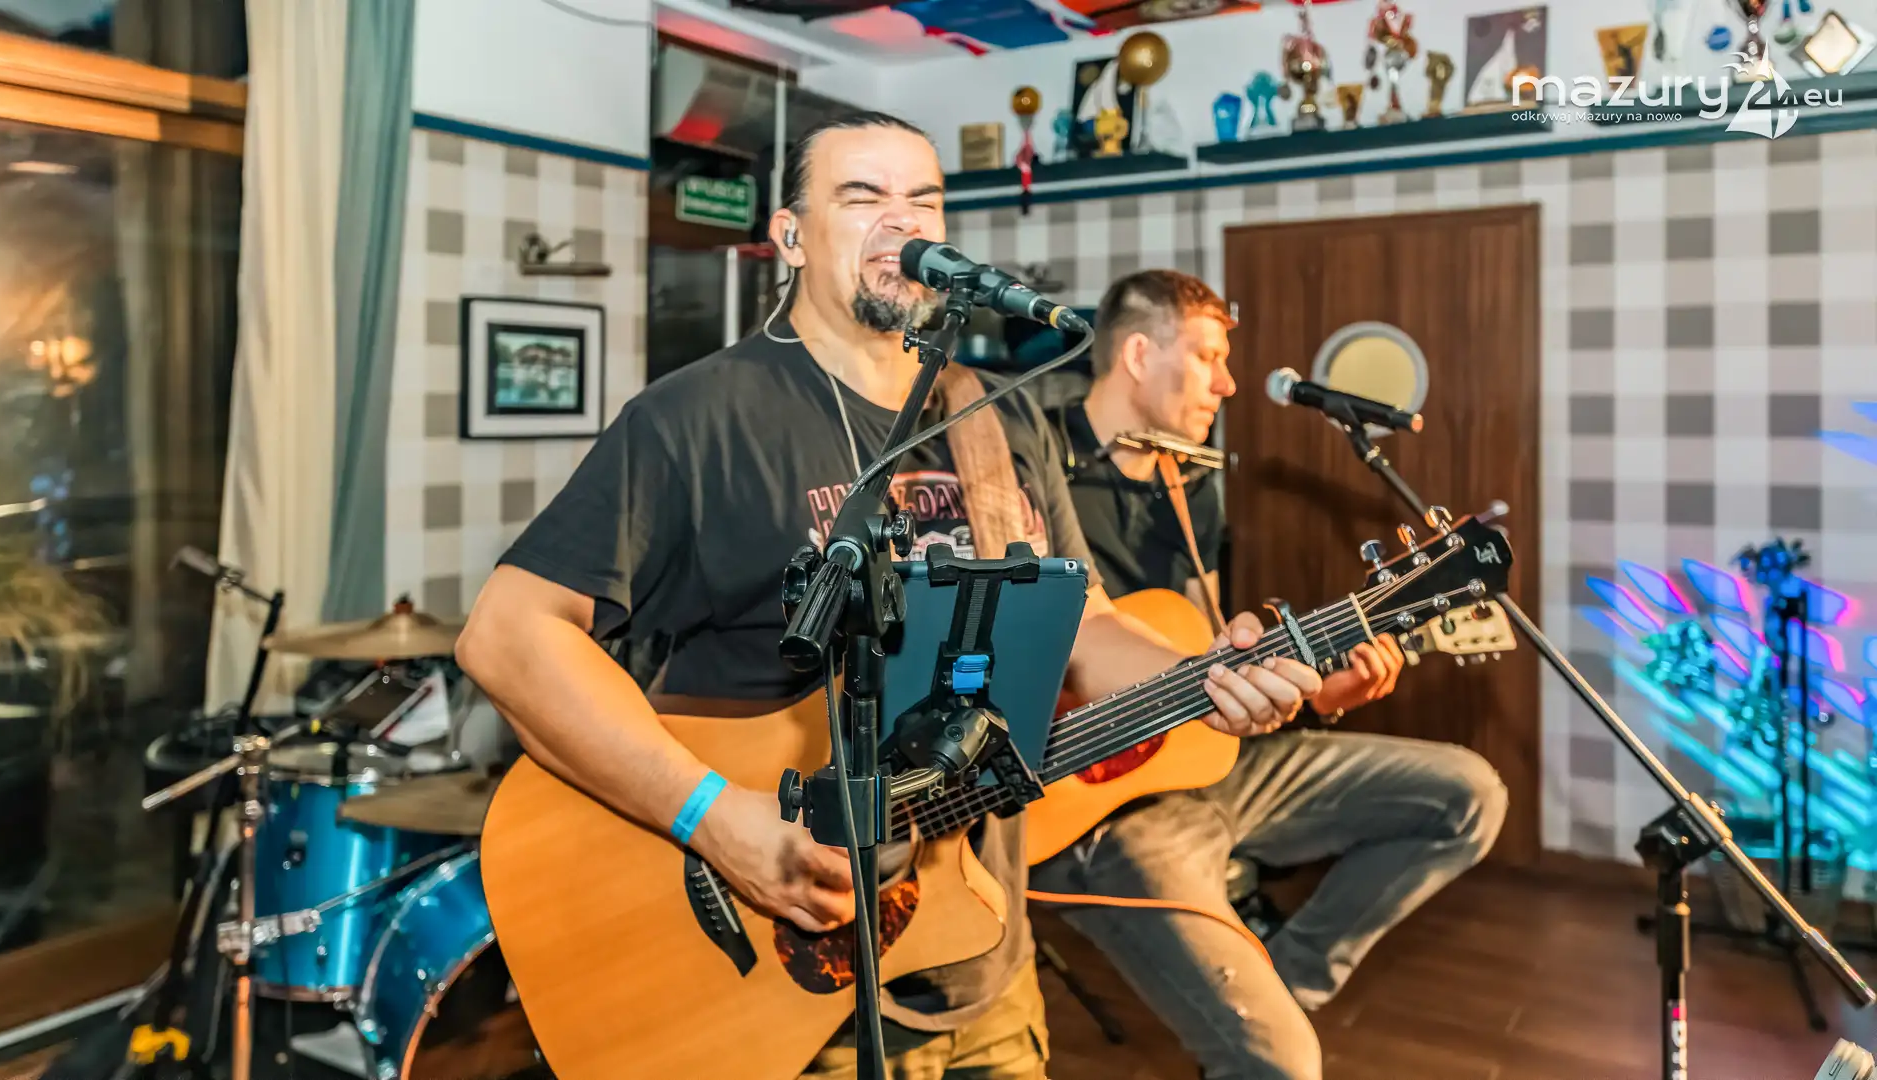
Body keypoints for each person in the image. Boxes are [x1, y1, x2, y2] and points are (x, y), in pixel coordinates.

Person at [455, 114, 1386, 1080]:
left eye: (924, 200)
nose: (902, 221)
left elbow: (1085, 628)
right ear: (790, 236)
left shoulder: (995, 416)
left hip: (977, 946)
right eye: (863, 196)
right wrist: (715, 820)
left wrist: (1209, 675)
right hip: (779, 983)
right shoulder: (697, 418)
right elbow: (508, 636)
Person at [1031, 268, 1511, 1080]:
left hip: (1212, 764)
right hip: (1095, 812)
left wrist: (1321, 693)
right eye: (1209, 357)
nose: (1228, 383)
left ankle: (1283, 983)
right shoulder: (1029, 461)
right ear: (1139, 355)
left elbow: (1208, 645)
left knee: (1468, 794)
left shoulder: (1191, 483)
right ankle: (1261, 1030)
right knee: (1283, 1066)